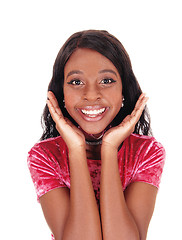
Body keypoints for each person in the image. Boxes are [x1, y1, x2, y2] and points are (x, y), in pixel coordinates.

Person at [27, 30, 165, 240]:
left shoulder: (146, 152)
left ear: (123, 92)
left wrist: (109, 149)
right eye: (76, 82)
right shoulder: (45, 156)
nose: (91, 94)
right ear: (61, 93)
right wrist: (75, 149)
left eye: (107, 80)